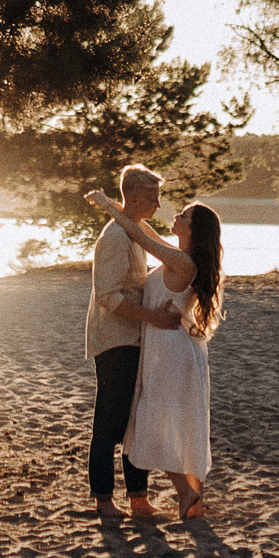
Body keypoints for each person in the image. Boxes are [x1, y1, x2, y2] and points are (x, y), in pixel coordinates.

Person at [85, 188, 223, 518]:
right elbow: (141, 228)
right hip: (165, 346)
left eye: (185, 216)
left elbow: (138, 233)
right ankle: (189, 494)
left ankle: (186, 491)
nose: (175, 215)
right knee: (166, 419)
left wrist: (106, 205)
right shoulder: (177, 256)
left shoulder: (181, 262)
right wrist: (122, 207)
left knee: (155, 420)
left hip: (170, 349)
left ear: (193, 230)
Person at [84, 164, 166, 518]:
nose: (158, 205)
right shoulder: (115, 237)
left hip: (135, 340)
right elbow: (109, 297)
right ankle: (104, 499)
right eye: (153, 197)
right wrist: (156, 319)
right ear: (132, 197)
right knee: (110, 421)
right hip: (115, 341)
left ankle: (138, 498)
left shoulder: (133, 232)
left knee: (137, 420)